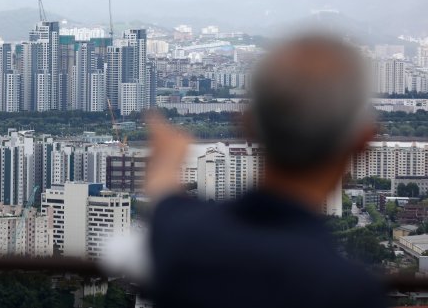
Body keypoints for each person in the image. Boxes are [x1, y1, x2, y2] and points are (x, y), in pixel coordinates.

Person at [144, 34, 387, 308]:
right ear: (362, 142)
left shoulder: (181, 236)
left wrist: (169, 151)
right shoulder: (348, 291)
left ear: (246, 124)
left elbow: (163, 190)